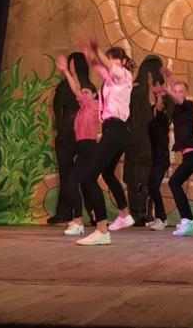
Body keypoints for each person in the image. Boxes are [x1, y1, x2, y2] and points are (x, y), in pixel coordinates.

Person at [75, 41, 135, 246]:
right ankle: (124, 213)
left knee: (87, 179)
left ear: (124, 62)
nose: (111, 62)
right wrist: (90, 55)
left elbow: (107, 66)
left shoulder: (124, 76)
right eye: (109, 59)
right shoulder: (110, 81)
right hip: (116, 131)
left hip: (116, 130)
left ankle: (101, 230)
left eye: (115, 58)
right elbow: (98, 65)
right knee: (108, 173)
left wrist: (97, 50)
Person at [55, 54, 100, 237]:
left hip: (89, 149)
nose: (83, 95)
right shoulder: (82, 108)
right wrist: (69, 72)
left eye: (87, 92)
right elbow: (76, 91)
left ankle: (79, 221)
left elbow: (76, 90)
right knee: (80, 184)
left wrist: (68, 72)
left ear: (94, 95)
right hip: (82, 149)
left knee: (74, 183)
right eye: (83, 93)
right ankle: (89, 217)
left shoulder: (94, 105)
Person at [158, 64, 193, 237]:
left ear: (185, 93)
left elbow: (177, 98)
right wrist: (166, 85)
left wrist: (168, 84)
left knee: (174, 182)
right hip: (189, 156)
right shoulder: (178, 109)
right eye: (175, 90)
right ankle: (190, 221)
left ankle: (188, 220)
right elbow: (173, 99)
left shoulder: (188, 105)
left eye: (181, 91)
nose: (177, 93)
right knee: (176, 183)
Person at [49, 52, 92, 225]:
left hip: (76, 136)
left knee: (76, 177)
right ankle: (70, 212)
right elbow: (57, 108)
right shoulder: (77, 86)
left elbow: (59, 107)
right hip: (71, 135)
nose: (71, 68)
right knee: (71, 176)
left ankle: (81, 213)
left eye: (73, 65)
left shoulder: (82, 87)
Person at [127, 56, 165, 225]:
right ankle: (147, 212)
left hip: (133, 141)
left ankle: (135, 212)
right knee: (150, 177)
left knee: (132, 176)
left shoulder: (132, 91)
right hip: (153, 142)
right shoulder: (160, 93)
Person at [146, 69, 173, 231]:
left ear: (163, 106)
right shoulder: (155, 115)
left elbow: (162, 99)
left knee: (153, 185)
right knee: (152, 185)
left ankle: (161, 218)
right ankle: (162, 218)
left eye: (160, 101)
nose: (157, 102)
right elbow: (152, 100)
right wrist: (150, 84)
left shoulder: (163, 118)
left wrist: (163, 91)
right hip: (156, 157)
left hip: (162, 157)